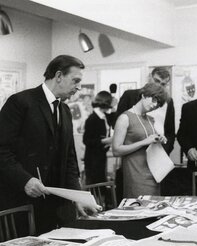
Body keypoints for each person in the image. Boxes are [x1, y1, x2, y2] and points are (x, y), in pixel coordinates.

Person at [0, 55, 101, 235]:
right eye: (75, 80)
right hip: (22, 204)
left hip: (56, 207)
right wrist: (25, 180)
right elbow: (2, 150)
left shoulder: (65, 110)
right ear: (59, 76)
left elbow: (69, 158)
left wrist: (75, 196)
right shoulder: (20, 102)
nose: (78, 87)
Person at [112, 83, 169, 198]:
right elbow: (116, 150)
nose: (154, 105)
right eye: (153, 100)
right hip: (135, 175)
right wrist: (144, 142)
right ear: (143, 95)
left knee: (154, 211)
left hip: (154, 174)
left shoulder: (150, 119)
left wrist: (159, 139)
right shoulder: (125, 118)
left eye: (158, 104)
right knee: (138, 210)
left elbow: (149, 141)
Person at [116, 67, 175, 155]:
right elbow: (117, 125)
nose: (158, 86)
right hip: (132, 151)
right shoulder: (129, 95)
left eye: (163, 84)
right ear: (149, 77)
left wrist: (165, 151)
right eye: (156, 81)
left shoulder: (168, 101)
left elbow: (170, 131)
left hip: (159, 152)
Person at [83, 91, 113, 185]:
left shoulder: (104, 117)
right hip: (93, 159)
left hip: (100, 157)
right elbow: (86, 140)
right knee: (95, 186)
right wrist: (105, 141)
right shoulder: (92, 119)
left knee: (101, 184)